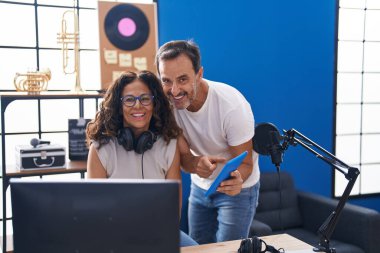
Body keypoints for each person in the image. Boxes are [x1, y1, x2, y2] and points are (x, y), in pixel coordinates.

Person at [155, 40, 260, 244]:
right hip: (200, 187)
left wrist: (238, 179)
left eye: (183, 79)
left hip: (237, 189)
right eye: (166, 80)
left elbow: (246, 163)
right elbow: (185, 158)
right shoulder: (167, 107)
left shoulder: (231, 106)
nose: (174, 91)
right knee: (198, 248)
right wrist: (196, 164)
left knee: (228, 250)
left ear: (199, 74)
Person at [86, 70, 198, 247]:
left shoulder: (169, 145)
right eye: (129, 99)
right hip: (114, 235)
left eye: (145, 99)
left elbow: (172, 209)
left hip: (159, 232)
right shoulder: (101, 149)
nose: (138, 106)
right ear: (118, 105)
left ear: (154, 104)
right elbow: (95, 210)